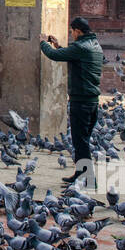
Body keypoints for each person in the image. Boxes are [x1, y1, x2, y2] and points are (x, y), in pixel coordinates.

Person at [40, 15, 105, 185]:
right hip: (92, 102)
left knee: (80, 141)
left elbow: (54, 55)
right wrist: (58, 45)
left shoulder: (81, 46)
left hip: (81, 101)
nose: (72, 35)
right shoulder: (95, 45)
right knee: (82, 140)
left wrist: (42, 43)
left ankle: (89, 179)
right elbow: (73, 56)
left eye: (72, 32)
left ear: (77, 31)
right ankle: (80, 173)